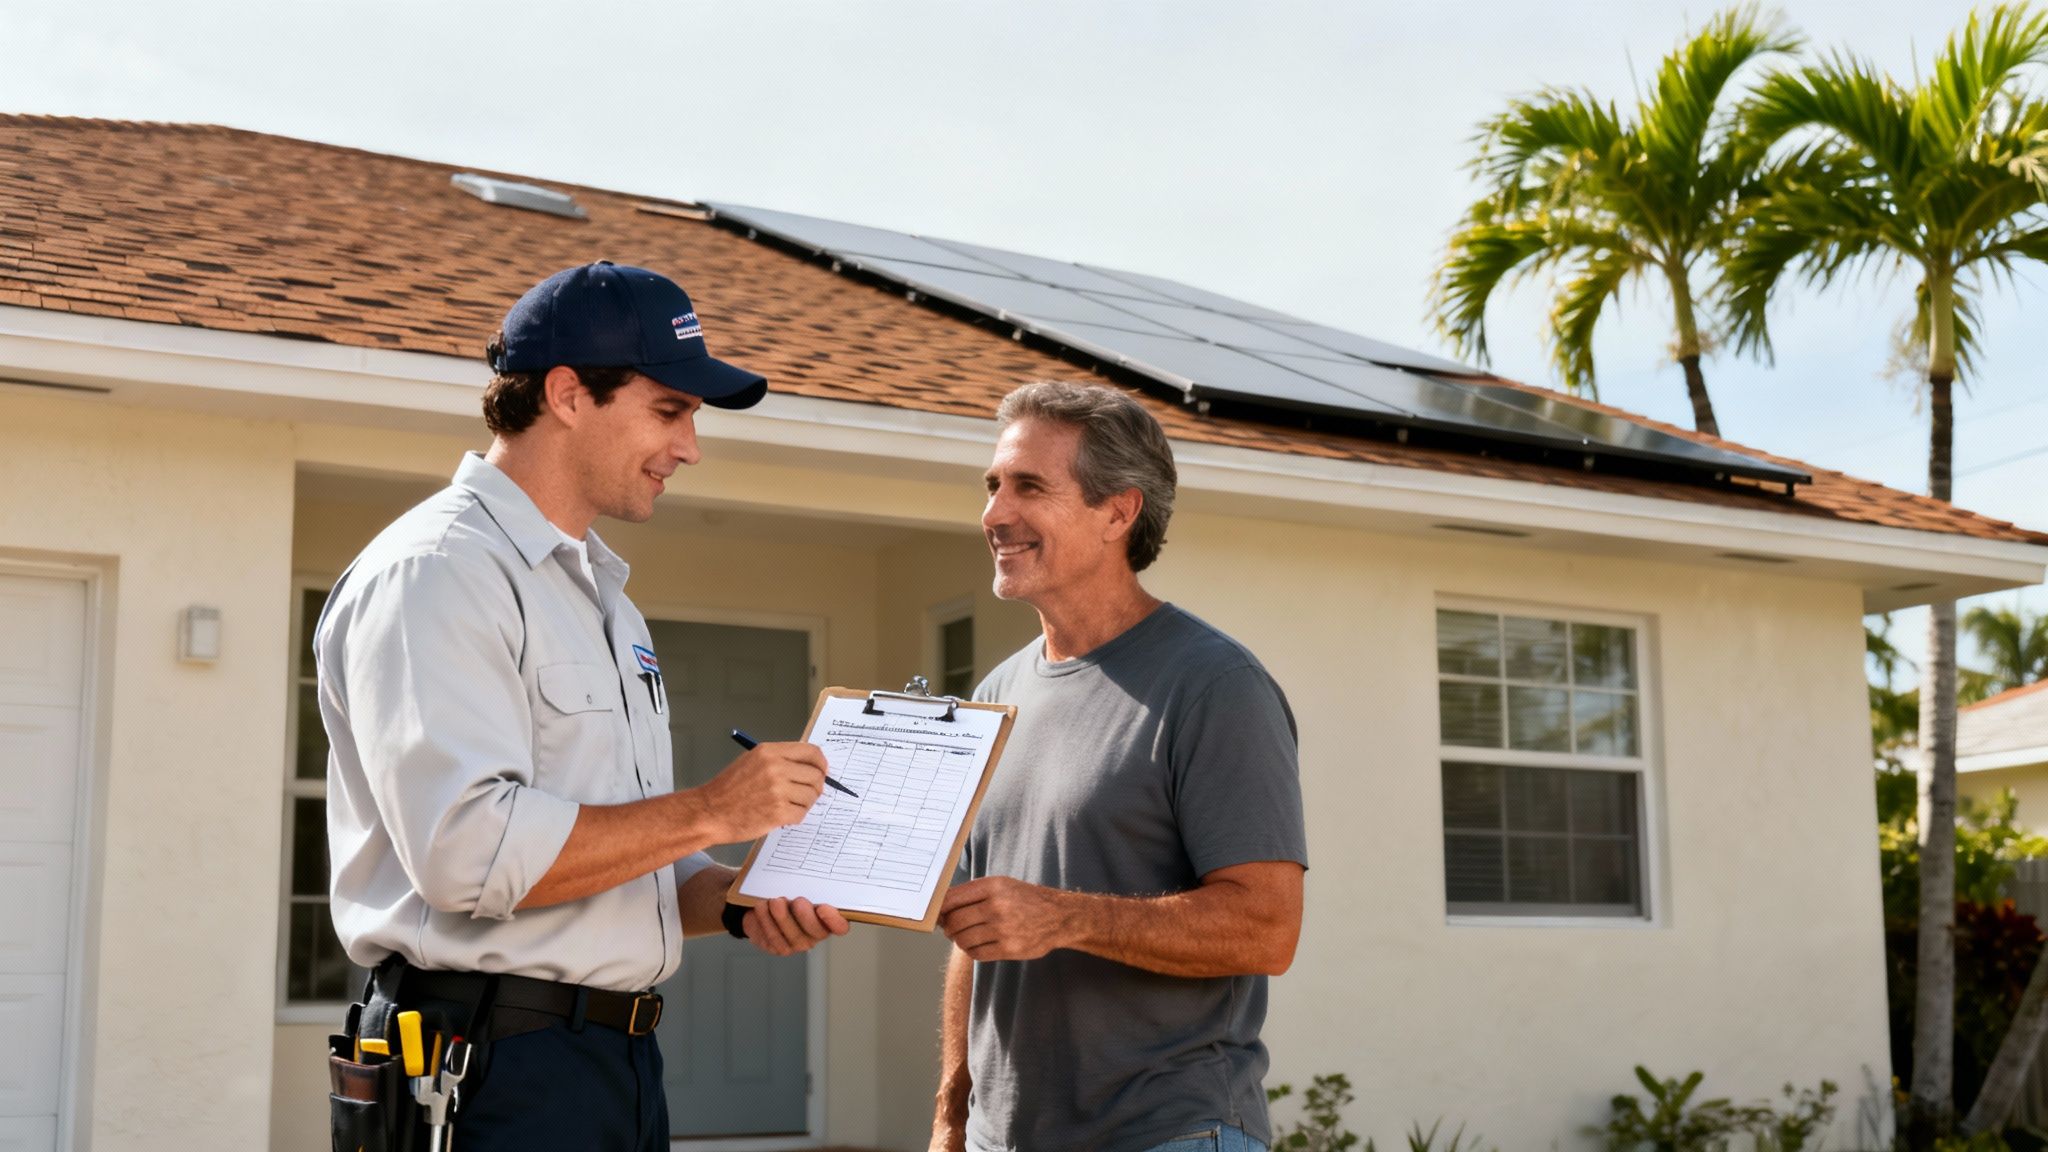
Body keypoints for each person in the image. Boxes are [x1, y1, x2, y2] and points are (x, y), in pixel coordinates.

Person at [317, 261, 849, 1152]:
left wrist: (735, 899)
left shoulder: (602, 597)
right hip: (483, 1068)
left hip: (611, 1068)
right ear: (567, 394)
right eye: (670, 410)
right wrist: (715, 807)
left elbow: (624, 856)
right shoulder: (439, 572)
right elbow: (468, 856)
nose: (690, 447)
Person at [931, 381, 1309, 1152]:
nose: (995, 513)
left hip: (1166, 1132)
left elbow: (1267, 926)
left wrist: (1064, 916)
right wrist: (952, 1115)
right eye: (993, 486)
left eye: (1030, 487)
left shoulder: (1214, 685)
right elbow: (978, 926)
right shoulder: (997, 692)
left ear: (1118, 512)